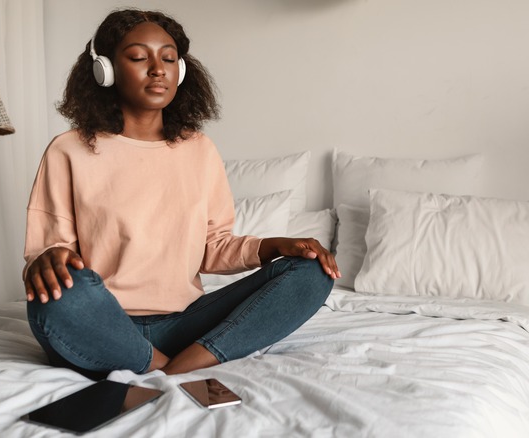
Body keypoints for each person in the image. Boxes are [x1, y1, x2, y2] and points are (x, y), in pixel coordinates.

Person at [23, 8, 339, 379]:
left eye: (169, 58)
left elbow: (212, 247)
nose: (158, 68)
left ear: (181, 70)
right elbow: (48, 254)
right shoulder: (69, 149)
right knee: (59, 296)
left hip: (185, 324)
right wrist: (48, 258)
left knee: (313, 271)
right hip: (103, 320)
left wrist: (273, 246)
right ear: (104, 69)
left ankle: (188, 360)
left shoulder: (199, 149)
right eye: (139, 57)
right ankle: (161, 365)